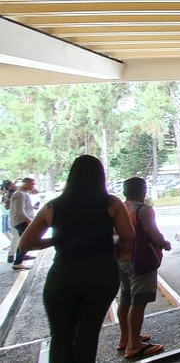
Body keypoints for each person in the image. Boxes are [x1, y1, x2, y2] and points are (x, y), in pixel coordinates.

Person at [18, 155, 135, 363]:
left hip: (64, 273)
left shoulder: (54, 206)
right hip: (101, 272)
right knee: (88, 334)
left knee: (60, 336)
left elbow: (26, 243)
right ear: (101, 177)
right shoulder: (111, 203)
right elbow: (128, 234)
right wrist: (110, 239)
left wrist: (57, 239)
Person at [116, 177, 170, 358]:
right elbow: (153, 233)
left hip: (120, 259)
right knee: (138, 302)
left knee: (125, 298)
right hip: (140, 260)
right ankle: (134, 345)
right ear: (143, 191)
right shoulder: (143, 210)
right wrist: (164, 243)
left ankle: (126, 338)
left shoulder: (119, 208)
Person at [9, 177, 37, 270]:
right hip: (22, 221)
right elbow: (19, 211)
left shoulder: (23, 194)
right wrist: (29, 220)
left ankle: (21, 256)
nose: (33, 186)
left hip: (23, 221)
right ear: (26, 183)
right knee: (26, 240)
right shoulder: (19, 194)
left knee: (24, 240)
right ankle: (18, 262)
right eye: (32, 184)